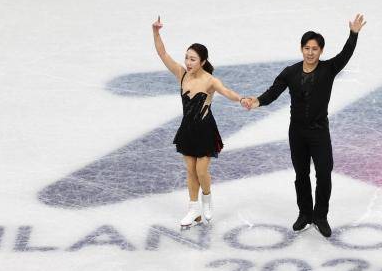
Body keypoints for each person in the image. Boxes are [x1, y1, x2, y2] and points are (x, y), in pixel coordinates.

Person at [241, 14, 366, 238]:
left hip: (319, 132)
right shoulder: (290, 72)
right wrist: (256, 101)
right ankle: (305, 214)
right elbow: (273, 92)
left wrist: (353, 34)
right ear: (301, 49)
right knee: (301, 175)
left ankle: (320, 216)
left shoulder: (328, 69)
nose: (310, 52)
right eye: (307, 48)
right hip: (297, 133)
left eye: (315, 49)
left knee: (324, 173)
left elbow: (346, 54)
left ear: (321, 51)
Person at [152, 16, 246, 228]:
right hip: (187, 130)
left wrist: (241, 99)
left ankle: (207, 198)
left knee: (201, 171)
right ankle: (194, 211)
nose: (188, 62)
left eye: (193, 59)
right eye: (187, 58)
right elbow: (162, 53)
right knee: (190, 171)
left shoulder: (210, 81)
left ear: (202, 62)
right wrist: (156, 32)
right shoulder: (182, 74)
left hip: (205, 130)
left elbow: (227, 92)